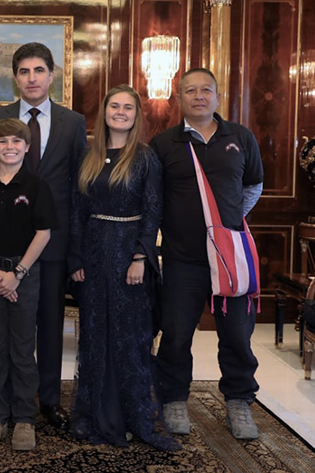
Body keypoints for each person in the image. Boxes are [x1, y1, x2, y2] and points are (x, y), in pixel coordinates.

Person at [0, 42, 87, 429]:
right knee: (4, 335)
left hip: (49, 243)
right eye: (24, 71)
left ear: (52, 75)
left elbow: (79, 186)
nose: (32, 78)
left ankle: (48, 401)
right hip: (1, 245)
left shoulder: (73, 122)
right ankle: (2, 406)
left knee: (48, 326)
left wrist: (78, 247)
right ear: (14, 77)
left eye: (39, 70)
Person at [150, 68, 263, 440]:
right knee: (177, 334)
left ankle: (238, 402)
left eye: (206, 90)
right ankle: (174, 399)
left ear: (218, 96)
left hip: (231, 258)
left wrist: (224, 225)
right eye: (190, 91)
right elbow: (156, 199)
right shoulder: (164, 143)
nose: (199, 96)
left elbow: (252, 187)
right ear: (178, 98)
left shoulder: (241, 137)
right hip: (183, 259)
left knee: (236, 335)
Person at [69, 85, 179, 451]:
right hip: (94, 257)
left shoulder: (145, 158)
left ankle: (133, 414)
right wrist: (77, 260)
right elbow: (77, 213)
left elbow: (153, 212)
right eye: (114, 106)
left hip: (128, 255)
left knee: (128, 338)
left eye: (127, 107)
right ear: (104, 113)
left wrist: (139, 258)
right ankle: (97, 414)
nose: (120, 112)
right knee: (96, 335)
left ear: (136, 115)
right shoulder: (88, 156)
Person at [0, 118, 58, 451]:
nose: (10, 147)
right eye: (2, 142)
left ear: (27, 147)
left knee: (22, 348)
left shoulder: (36, 186)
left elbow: (43, 233)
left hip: (24, 275)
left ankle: (24, 419)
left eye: (16, 142)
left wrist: (16, 274)